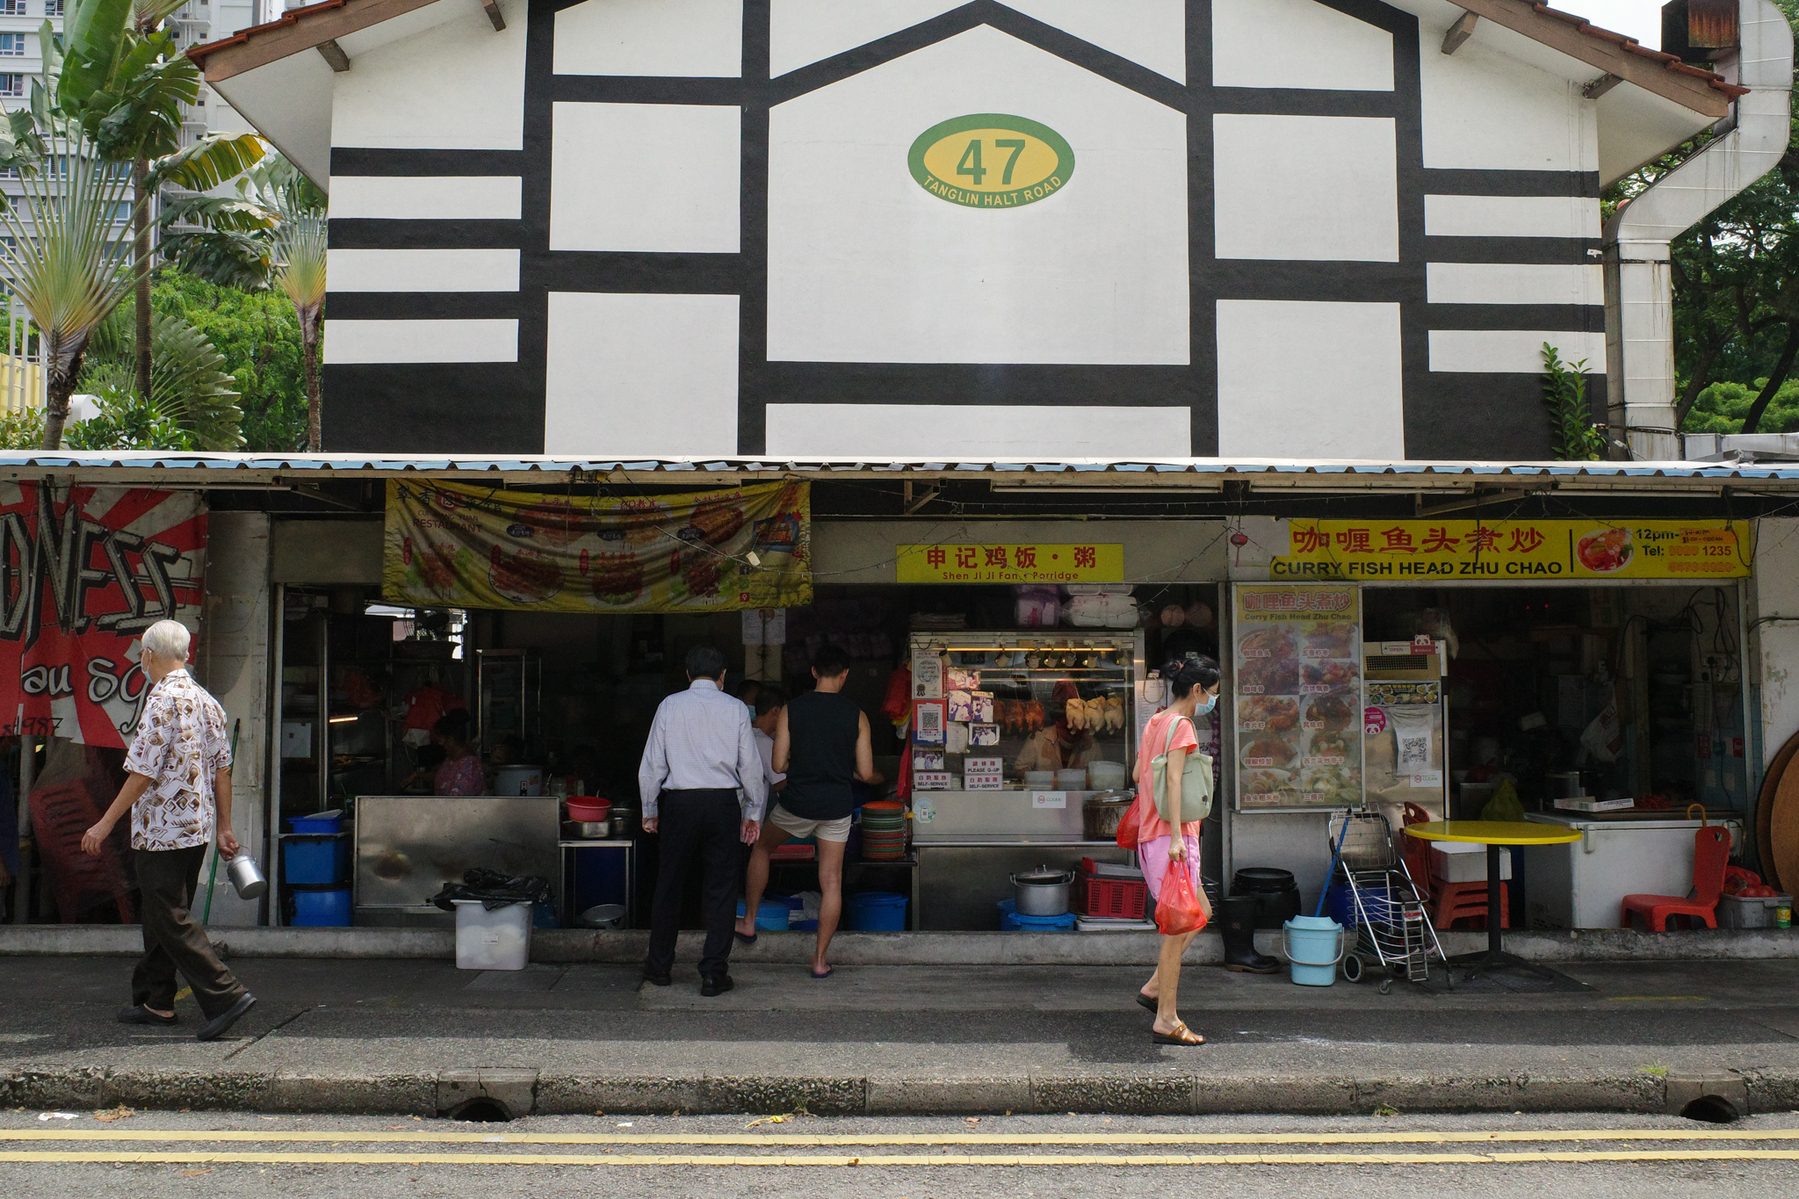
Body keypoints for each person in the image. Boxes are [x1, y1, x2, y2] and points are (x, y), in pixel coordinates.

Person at [79, 619, 257, 1042]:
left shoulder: (161, 702)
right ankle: (156, 1000)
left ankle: (226, 994)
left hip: (161, 830)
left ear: (149, 655)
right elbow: (223, 770)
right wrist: (224, 827)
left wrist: (103, 825)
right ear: (186, 654)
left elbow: (141, 773)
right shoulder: (205, 700)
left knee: (168, 914)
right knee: (162, 912)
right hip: (194, 829)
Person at [736, 643, 883, 979]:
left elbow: (777, 764)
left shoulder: (791, 711)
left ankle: (748, 922)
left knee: (762, 847)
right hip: (836, 807)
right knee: (831, 880)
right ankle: (819, 960)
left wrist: (800, 762)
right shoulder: (857, 716)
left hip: (797, 803)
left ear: (814, 672)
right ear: (844, 675)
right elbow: (864, 771)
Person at [639, 643, 768, 996]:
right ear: (723, 676)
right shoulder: (737, 708)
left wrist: (650, 810)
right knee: (722, 889)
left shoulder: (670, 705)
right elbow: (751, 767)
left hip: (679, 804)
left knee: (669, 885)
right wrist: (753, 811)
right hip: (723, 803)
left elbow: (652, 765)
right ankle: (713, 974)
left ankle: (660, 968)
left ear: (687, 674)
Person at [1128, 656, 1220, 1047]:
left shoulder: (1155, 722)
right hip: (1172, 840)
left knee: (1202, 914)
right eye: (1212, 695)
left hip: (1152, 837)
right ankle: (1166, 1018)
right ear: (1196, 690)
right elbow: (1176, 780)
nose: (1212, 702)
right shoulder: (1182, 726)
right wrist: (1180, 837)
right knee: (1177, 928)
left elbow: (1137, 776)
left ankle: (1154, 987)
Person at [1014, 679, 1099, 774]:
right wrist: (1046, 780)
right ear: (1058, 723)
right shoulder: (1037, 739)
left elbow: (1099, 775)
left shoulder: (1091, 744)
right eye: (1069, 727)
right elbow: (1020, 769)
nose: (1074, 731)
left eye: (1078, 727)